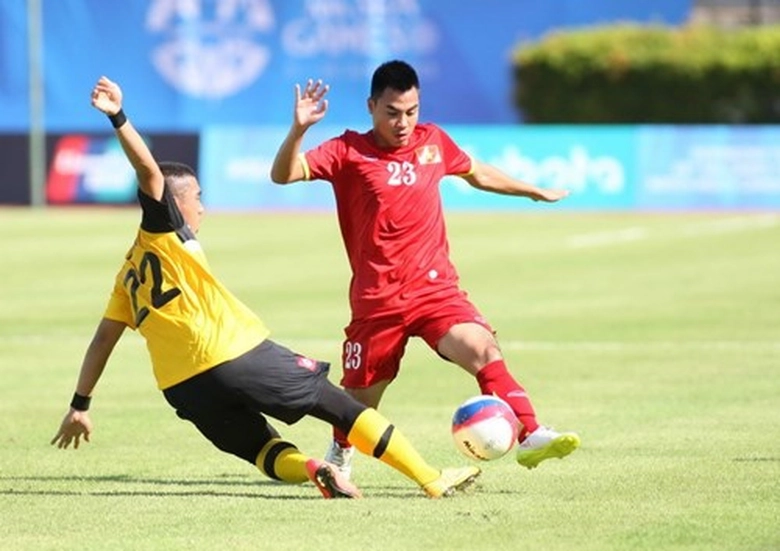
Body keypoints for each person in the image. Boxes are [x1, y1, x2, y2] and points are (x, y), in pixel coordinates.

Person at [50, 75, 481, 500]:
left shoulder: (128, 274)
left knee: (263, 451)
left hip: (182, 388)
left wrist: (80, 404)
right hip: (232, 353)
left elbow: (104, 338)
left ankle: (316, 468)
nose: (202, 205)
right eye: (197, 196)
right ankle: (431, 479)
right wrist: (119, 116)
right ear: (173, 203)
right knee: (343, 408)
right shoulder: (164, 228)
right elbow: (148, 170)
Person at [270, 60, 580, 479]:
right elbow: (283, 174)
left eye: (411, 111)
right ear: (371, 106)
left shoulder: (433, 141)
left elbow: (478, 172)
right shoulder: (347, 151)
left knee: (483, 348)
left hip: (436, 293)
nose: (403, 122)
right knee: (359, 402)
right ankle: (340, 453)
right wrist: (300, 130)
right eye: (392, 112)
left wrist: (532, 191)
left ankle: (530, 432)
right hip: (378, 302)